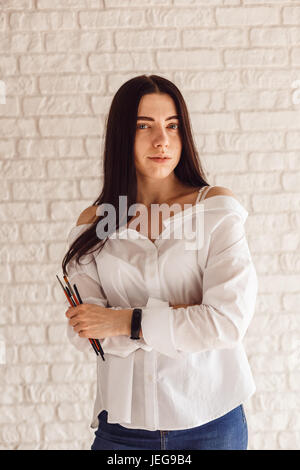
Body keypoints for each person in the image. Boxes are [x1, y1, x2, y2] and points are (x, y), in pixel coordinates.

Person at [61, 75, 258, 450]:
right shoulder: (94, 223)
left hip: (211, 421)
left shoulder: (214, 209)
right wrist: (184, 316)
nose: (162, 140)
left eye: (172, 126)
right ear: (122, 135)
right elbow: (89, 336)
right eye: (143, 126)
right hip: (121, 429)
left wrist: (124, 321)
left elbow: (226, 322)